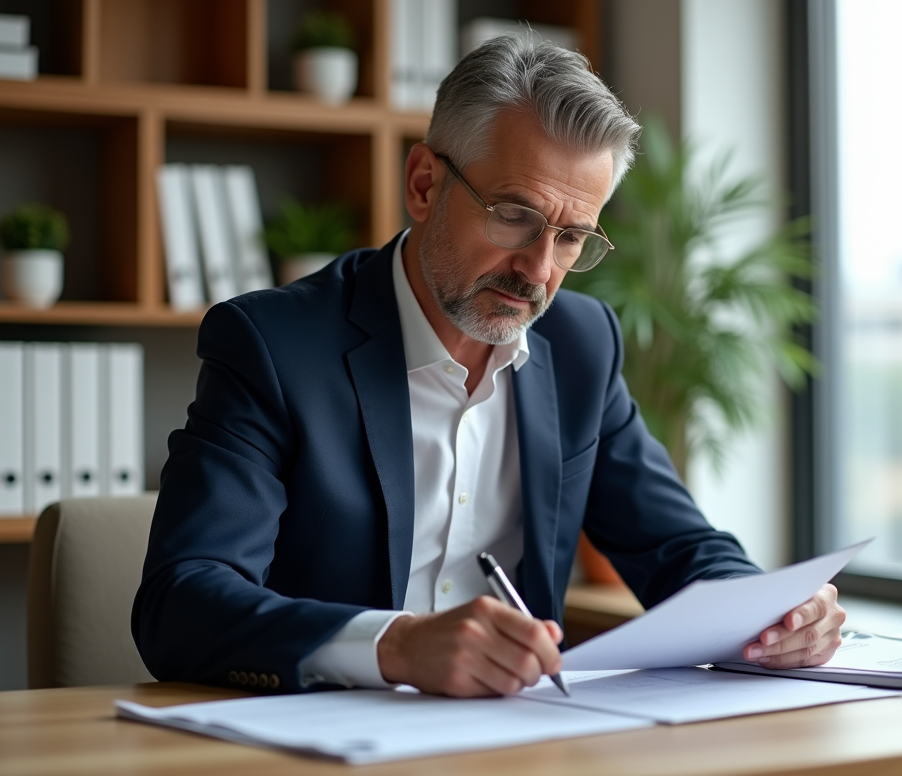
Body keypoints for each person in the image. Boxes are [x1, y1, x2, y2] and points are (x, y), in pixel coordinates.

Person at [132, 35, 845, 698]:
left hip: (516, 745)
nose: (537, 269)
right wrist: (396, 646)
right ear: (422, 184)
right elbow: (182, 599)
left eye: (571, 238)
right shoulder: (273, 345)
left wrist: (775, 616)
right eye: (514, 215)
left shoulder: (582, 344)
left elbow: (678, 546)